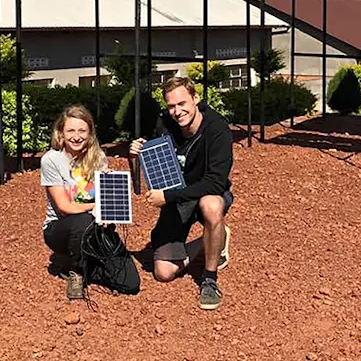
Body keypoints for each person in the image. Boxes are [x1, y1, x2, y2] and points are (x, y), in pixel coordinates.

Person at [130, 76, 234, 310]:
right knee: (163, 272)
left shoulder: (217, 129)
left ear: (195, 99)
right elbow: (149, 180)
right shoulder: (164, 124)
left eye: (182, 104)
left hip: (206, 193)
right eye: (171, 106)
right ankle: (215, 239)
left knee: (212, 206)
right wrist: (136, 158)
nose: (177, 111)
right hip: (179, 199)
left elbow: (215, 184)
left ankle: (209, 279)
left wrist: (167, 197)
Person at [40, 105, 140, 300]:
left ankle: (87, 267)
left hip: (92, 227)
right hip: (60, 229)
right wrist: (96, 207)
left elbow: (105, 204)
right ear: (61, 133)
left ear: (90, 133)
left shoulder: (99, 158)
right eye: (70, 131)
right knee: (83, 221)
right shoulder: (51, 160)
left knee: (130, 283)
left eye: (82, 131)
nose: (76, 136)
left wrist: (112, 192)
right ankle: (76, 270)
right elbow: (64, 207)